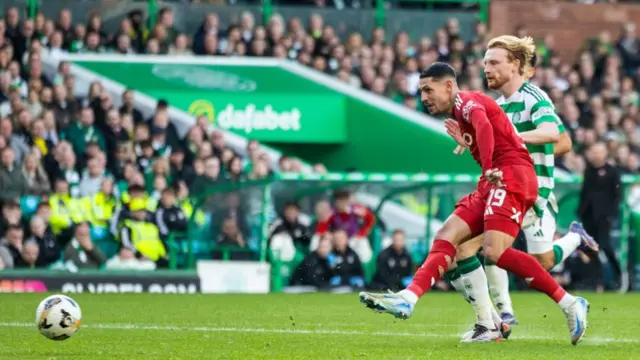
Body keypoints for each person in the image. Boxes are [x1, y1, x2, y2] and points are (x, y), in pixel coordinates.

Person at [358, 62, 589, 345]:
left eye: (428, 90)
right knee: (449, 237)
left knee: (495, 253)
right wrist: (476, 151)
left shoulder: (466, 102)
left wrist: (489, 166)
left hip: (511, 177)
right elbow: (489, 133)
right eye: (420, 92)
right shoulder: (461, 112)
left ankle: (569, 303)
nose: (424, 98)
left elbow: (483, 124)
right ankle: (410, 298)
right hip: (495, 178)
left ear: (449, 86)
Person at [444, 36, 599, 330]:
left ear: (515, 65)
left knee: (476, 248)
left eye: (493, 63)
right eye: (485, 63)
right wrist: (470, 140)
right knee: (533, 259)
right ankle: (574, 240)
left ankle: (498, 319)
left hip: (531, 189)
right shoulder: (497, 106)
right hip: (510, 186)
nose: (486, 69)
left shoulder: (534, 97)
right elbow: (497, 150)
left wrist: (512, 137)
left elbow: (556, 135)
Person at [578, 142, 624, 291]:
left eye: (599, 151)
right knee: (590, 249)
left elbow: (617, 196)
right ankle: (596, 280)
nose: (596, 155)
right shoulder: (589, 171)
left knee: (604, 245)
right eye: (594, 151)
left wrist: (611, 214)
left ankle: (619, 274)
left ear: (605, 153)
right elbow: (584, 193)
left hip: (604, 216)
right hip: (589, 215)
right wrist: (580, 212)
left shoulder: (612, 172)